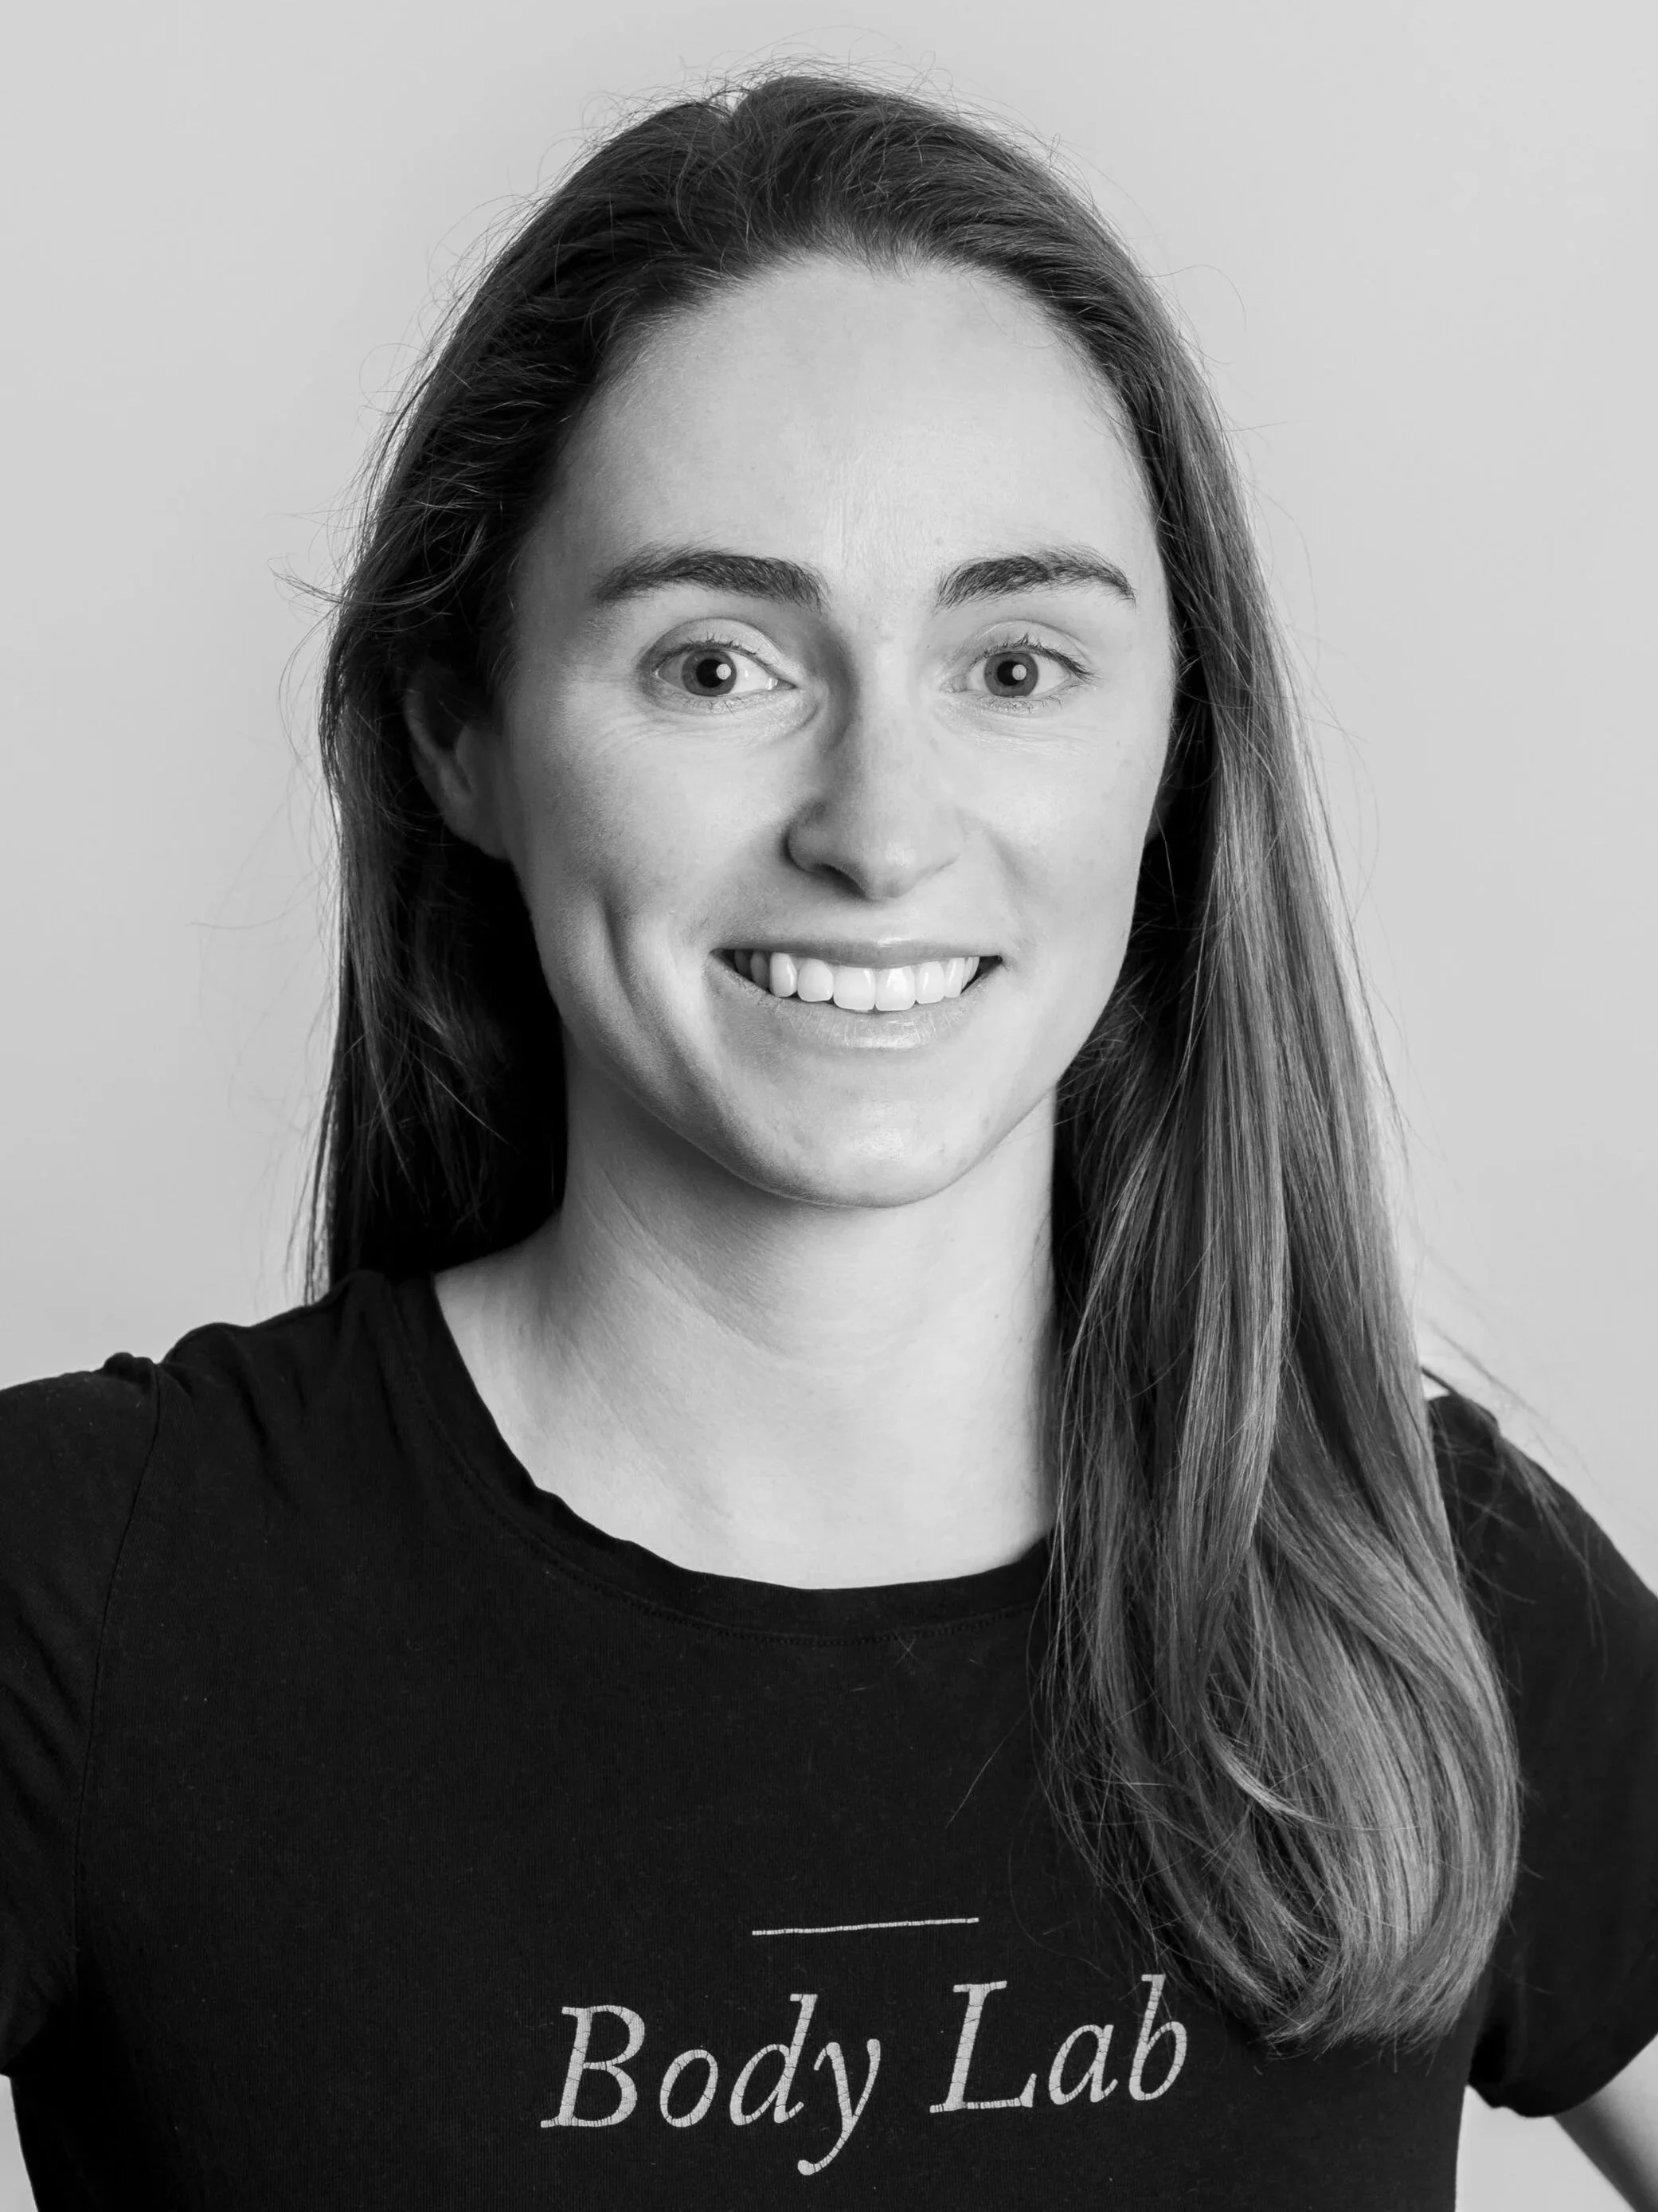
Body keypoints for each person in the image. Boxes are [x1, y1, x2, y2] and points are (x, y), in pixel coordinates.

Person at [2, 69, 1656, 2211]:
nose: (880, 829)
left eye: (1017, 662)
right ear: (463, 736)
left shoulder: (1423, 1579)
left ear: (1178, 753)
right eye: (715, 664)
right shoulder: (97, 1595)